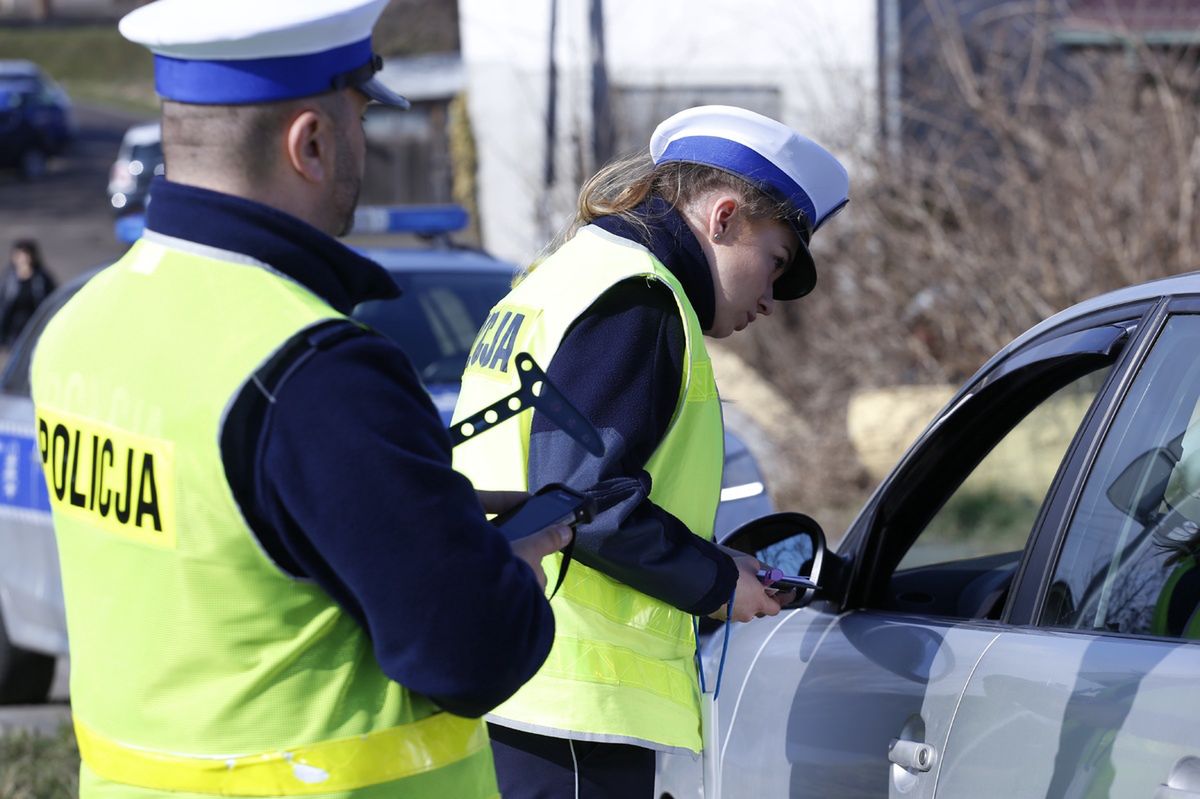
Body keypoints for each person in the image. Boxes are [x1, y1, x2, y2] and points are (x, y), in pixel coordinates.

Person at [30, 2, 566, 797]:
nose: (364, 150)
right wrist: (504, 563)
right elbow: (474, 652)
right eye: (359, 122)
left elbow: (225, 554)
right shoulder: (319, 373)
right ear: (310, 142)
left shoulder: (78, 326)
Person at [452, 105, 850, 796]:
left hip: (509, 663)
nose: (771, 298)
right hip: (569, 706)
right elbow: (584, 499)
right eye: (774, 260)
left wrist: (717, 562)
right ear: (724, 218)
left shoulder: (567, 273)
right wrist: (717, 581)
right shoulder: (639, 298)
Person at [0, 239, 56, 346]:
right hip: (14, 332)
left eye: (26, 256)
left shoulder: (41, 278)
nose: (23, 260)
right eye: (19, 256)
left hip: (34, 326)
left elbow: (51, 301)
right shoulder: (8, 279)